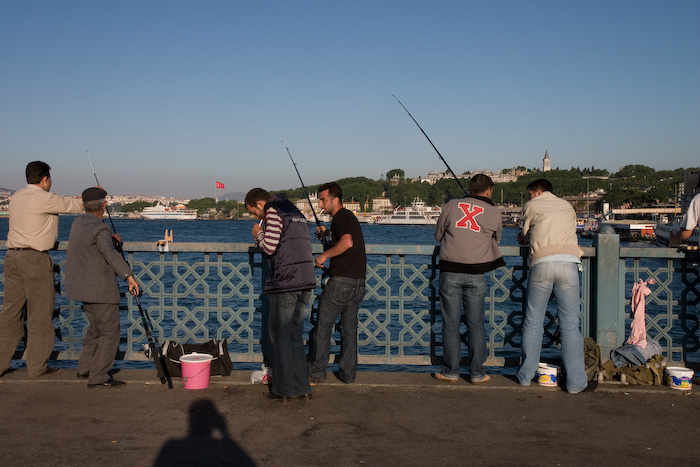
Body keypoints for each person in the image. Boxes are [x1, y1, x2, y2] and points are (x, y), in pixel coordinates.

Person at [0, 161, 84, 377]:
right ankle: (36, 367)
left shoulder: (16, 197)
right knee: (40, 315)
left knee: (10, 314)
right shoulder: (45, 198)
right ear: (45, 179)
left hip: (12, 257)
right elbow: (75, 206)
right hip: (34, 259)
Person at [516, 179, 590, 394]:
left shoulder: (531, 206)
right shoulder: (567, 206)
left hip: (542, 263)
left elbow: (526, 235)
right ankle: (576, 382)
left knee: (533, 320)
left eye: (530, 194)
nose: (529, 198)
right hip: (568, 264)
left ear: (537, 192)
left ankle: (525, 375)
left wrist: (523, 237)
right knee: (570, 325)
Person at [432, 174, 505, 384]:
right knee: (476, 324)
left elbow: (438, 236)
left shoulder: (451, 205)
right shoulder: (493, 211)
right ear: (489, 191)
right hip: (476, 273)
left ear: (470, 188)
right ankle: (477, 373)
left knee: (450, 324)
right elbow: (497, 238)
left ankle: (450, 371)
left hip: (450, 270)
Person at [245, 188, 316, 402]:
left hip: (285, 281)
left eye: (253, 212)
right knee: (295, 336)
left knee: (281, 337)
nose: (256, 216)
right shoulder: (295, 211)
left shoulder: (273, 211)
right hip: (305, 279)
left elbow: (269, 247)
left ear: (259, 204)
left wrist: (258, 233)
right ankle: (302, 388)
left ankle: (283, 390)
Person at [65, 187, 139, 388]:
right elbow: (109, 254)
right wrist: (129, 277)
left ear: (83, 205)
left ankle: (85, 368)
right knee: (110, 332)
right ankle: (98, 376)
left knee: (95, 329)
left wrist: (110, 241)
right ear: (105, 206)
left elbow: (93, 248)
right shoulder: (101, 229)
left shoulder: (77, 223)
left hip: (81, 287)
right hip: (100, 290)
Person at [308, 182, 366, 384]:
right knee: (349, 330)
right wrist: (327, 234)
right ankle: (348, 374)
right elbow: (343, 241)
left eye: (323, 200)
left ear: (335, 200)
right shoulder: (348, 218)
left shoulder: (340, 217)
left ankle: (316, 373)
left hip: (341, 283)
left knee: (322, 327)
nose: (321, 205)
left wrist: (323, 256)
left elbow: (347, 242)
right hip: (358, 283)